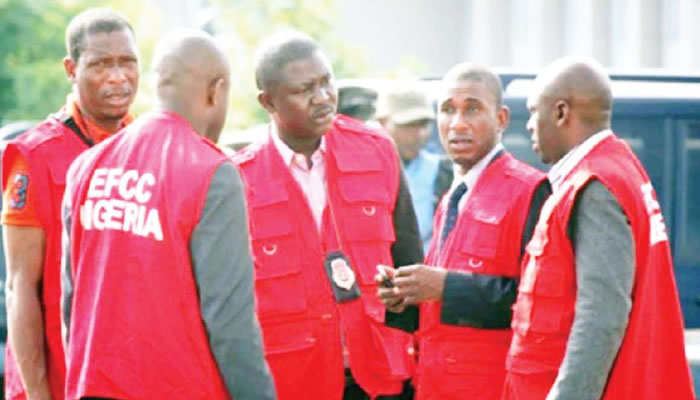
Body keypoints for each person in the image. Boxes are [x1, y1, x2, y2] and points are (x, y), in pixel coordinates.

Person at [60, 30, 276, 399]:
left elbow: (71, 302)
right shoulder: (211, 172)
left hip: (92, 387)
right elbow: (230, 322)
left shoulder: (87, 166)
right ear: (216, 91)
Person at [233, 30, 423, 400]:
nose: (322, 98)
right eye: (305, 90)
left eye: (326, 82)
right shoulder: (239, 180)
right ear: (268, 101)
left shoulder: (376, 151)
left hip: (379, 379)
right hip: (294, 383)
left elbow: (409, 260)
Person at [502, 56, 695, 400]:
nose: (529, 125)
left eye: (533, 112)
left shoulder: (595, 185)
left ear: (561, 112)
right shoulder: (618, 169)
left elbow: (601, 316)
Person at [375, 63, 550, 400]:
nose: (457, 123)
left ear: (501, 119)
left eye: (472, 109)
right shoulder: (452, 197)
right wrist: (405, 297)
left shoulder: (530, 192)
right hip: (434, 386)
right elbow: (441, 309)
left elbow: (540, 306)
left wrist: (445, 287)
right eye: (447, 110)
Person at [1, 8, 138, 400]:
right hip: (57, 379)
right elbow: (20, 287)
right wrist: (39, 393)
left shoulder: (145, 147)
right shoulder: (34, 156)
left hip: (127, 376)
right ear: (71, 69)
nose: (118, 77)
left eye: (127, 62)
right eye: (101, 64)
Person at [375, 86, 452, 252]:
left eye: (424, 125)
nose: (420, 134)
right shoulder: (360, 172)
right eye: (409, 125)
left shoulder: (442, 173)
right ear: (382, 123)